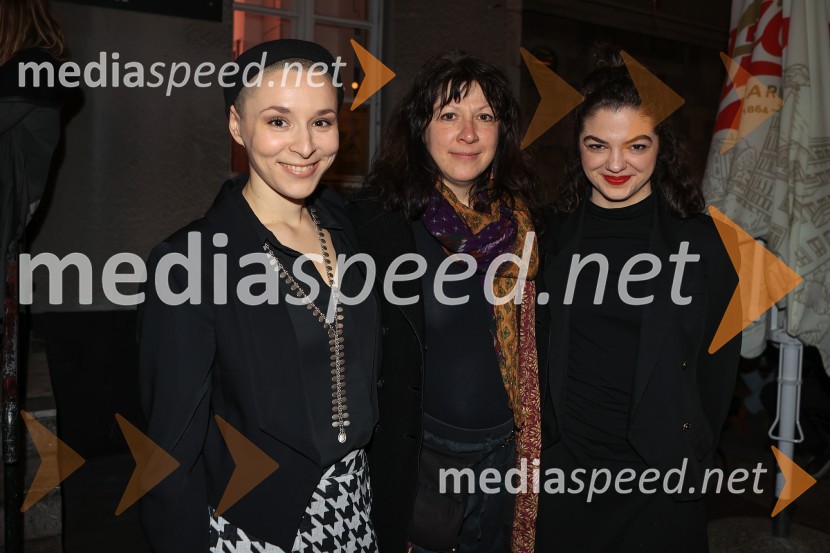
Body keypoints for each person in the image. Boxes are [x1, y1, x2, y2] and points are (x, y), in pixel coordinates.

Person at [138, 40, 380, 552]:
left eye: (321, 121)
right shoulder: (190, 261)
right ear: (236, 125)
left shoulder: (347, 230)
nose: (305, 145)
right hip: (259, 527)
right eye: (278, 121)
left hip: (357, 506)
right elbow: (168, 454)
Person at [535, 51, 741, 552]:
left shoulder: (705, 243)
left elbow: (718, 371)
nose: (615, 164)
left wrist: (691, 449)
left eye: (637, 145)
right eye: (597, 145)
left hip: (659, 480)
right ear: (578, 147)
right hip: (565, 473)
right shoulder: (546, 236)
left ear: (661, 146)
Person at [347, 52, 545, 553]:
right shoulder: (382, 225)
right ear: (420, 127)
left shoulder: (527, 224)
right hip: (425, 461)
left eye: (485, 117)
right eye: (450, 115)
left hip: (507, 456)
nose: (469, 134)